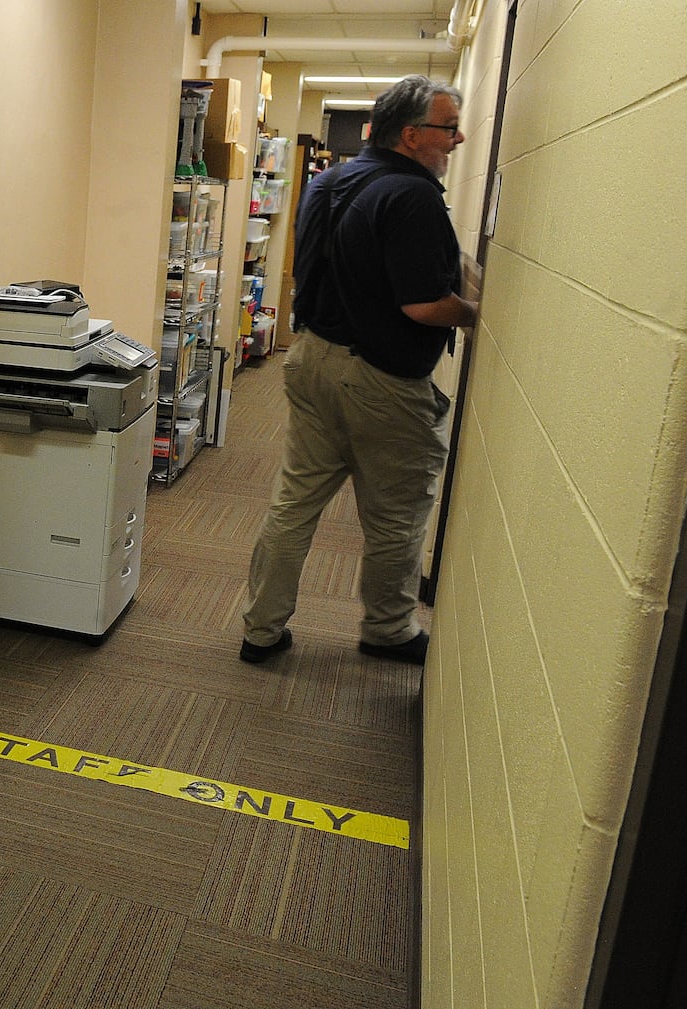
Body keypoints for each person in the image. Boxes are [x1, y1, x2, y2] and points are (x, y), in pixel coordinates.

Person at [239, 75, 479, 667]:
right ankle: (389, 629)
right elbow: (422, 305)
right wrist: (480, 311)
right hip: (378, 380)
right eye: (449, 129)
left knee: (295, 500)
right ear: (412, 133)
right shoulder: (414, 197)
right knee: (396, 511)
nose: (458, 139)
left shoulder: (329, 181)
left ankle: (261, 629)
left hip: (311, 359)